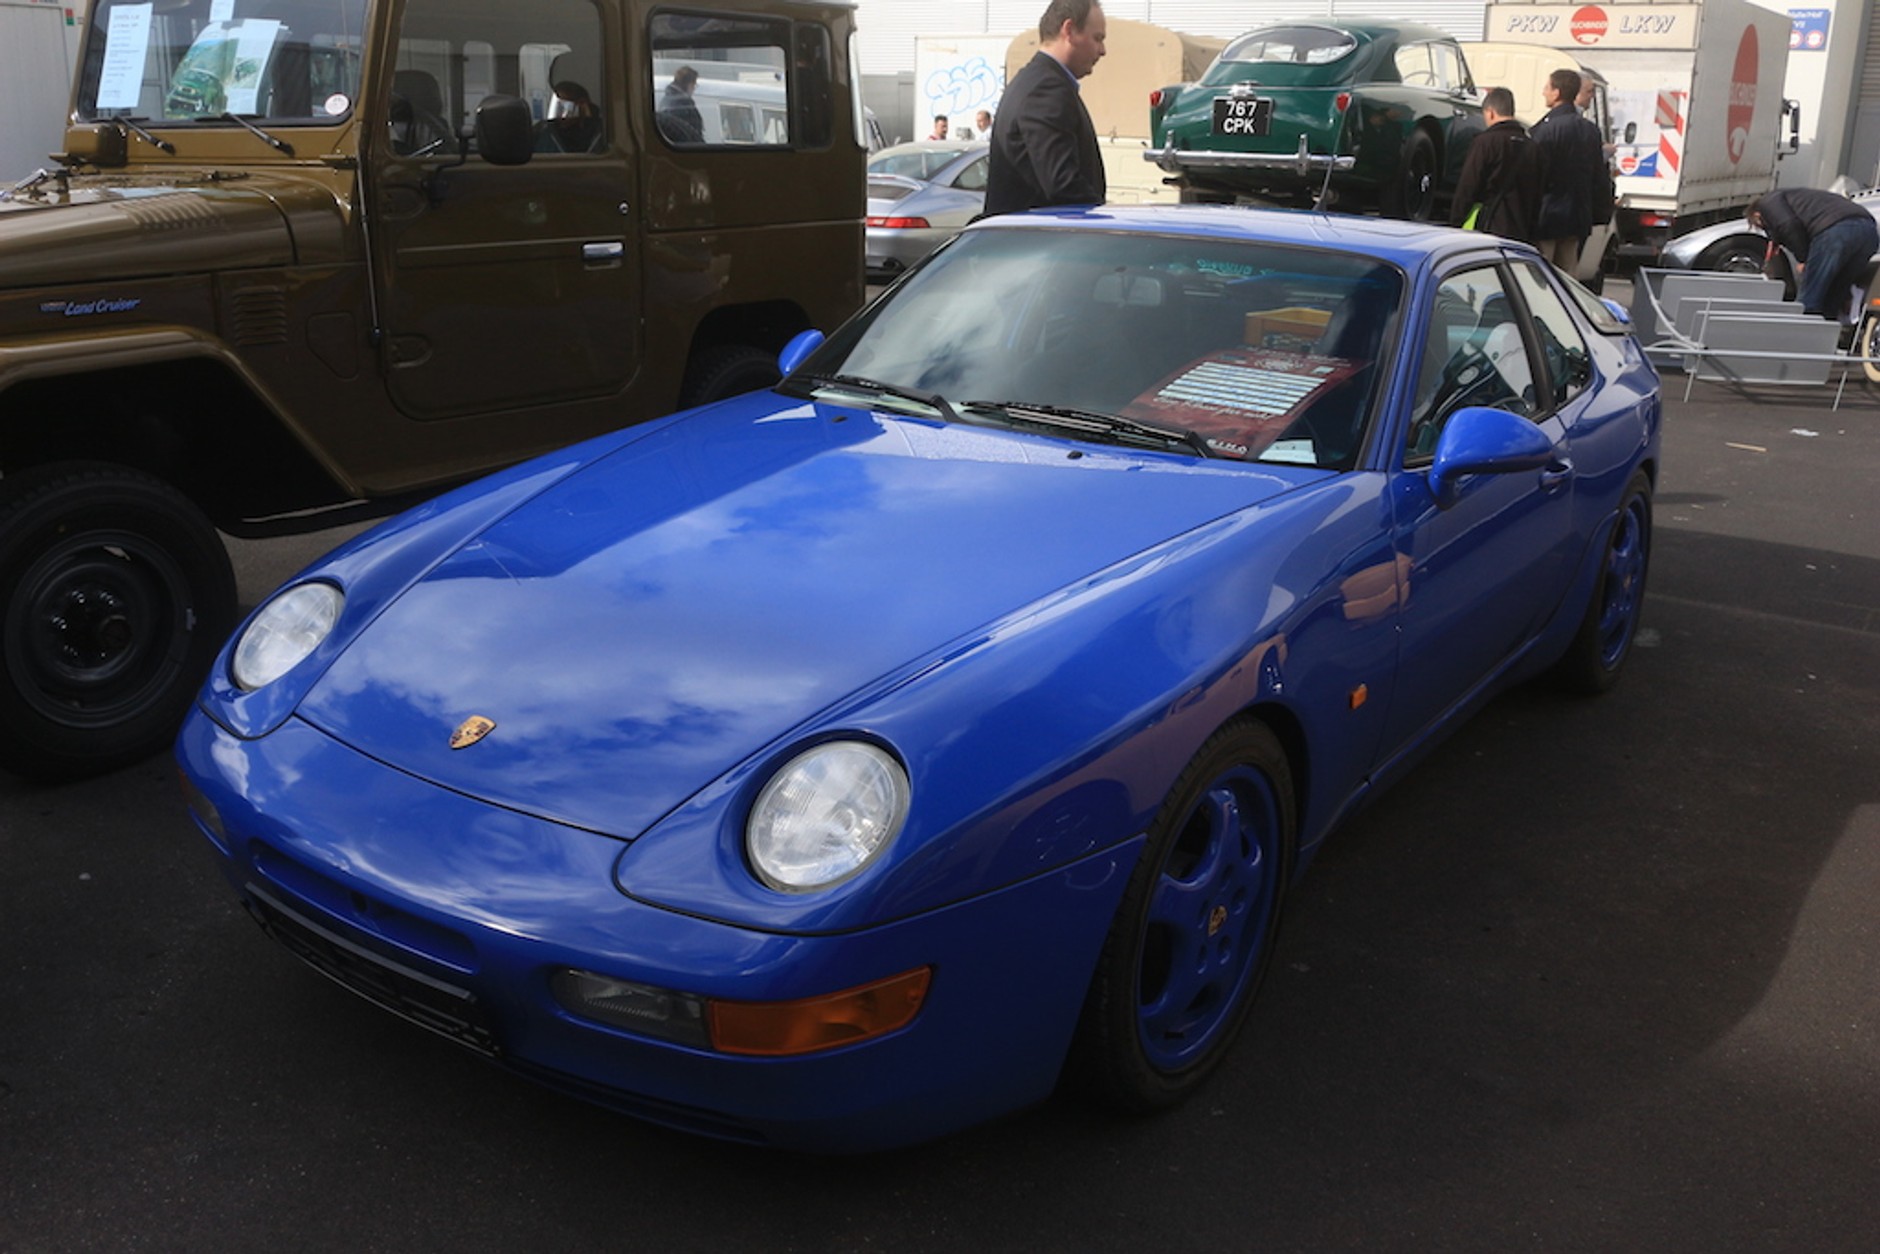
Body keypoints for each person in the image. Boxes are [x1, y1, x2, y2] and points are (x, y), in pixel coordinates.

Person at [984, 0, 1107, 216]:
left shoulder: (1036, 81)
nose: (1102, 50)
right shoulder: (1046, 89)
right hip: (1039, 242)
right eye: (1097, 38)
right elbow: (1063, 185)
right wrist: (1103, 219)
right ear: (1068, 30)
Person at [1746, 187, 1880, 321]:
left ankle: (1800, 335)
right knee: (1834, 295)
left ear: (1757, 215)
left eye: (1761, 226)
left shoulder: (1767, 203)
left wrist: (1803, 258)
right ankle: (1827, 333)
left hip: (1837, 232)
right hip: (1869, 232)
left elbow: (1789, 226)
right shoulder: (1798, 197)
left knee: (1809, 298)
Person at [1528, 68, 1605, 272]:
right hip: (1576, 219)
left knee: (1540, 277)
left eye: (1547, 87)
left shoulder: (1545, 130)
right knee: (1567, 278)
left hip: (1547, 218)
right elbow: (1598, 177)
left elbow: (1534, 177)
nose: (1544, 92)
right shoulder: (1591, 131)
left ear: (1557, 92)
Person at [1449, 87, 1544, 244]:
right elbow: (1538, 194)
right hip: (1521, 231)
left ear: (1490, 112)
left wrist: (1455, 222)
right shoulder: (1533, 148)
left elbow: (1468, 186)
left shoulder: (1485, 142)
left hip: (1488, 228)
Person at [534, 81, 602, 153]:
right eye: (556, 107)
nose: (559, 116)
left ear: (581, 104)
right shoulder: (542, 131)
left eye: (563, 106)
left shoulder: (603, 132)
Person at [657, 65, 704, 144]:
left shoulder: (665, 100)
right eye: (694, 85)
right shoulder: (685, 105)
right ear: (689, 84)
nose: (694, 89)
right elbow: (693, 132)